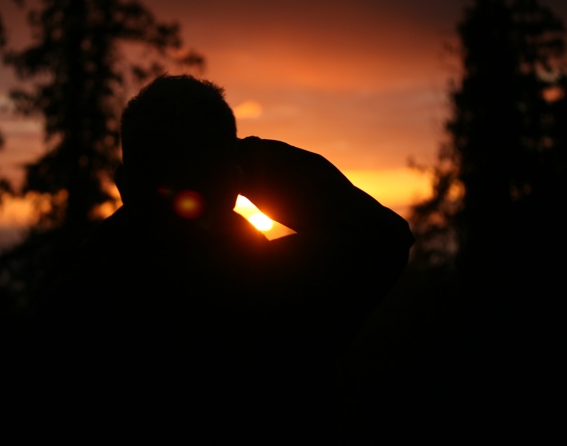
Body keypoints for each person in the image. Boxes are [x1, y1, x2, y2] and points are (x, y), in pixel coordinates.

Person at [22, 74, 415, 442]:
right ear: (234, 180)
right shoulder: (283, 291)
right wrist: (246, 158)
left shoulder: (67, 315)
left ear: (124, 185)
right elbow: (381, 235)